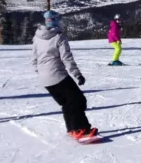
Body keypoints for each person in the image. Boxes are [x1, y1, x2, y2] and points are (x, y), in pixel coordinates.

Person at [32, 10, 96, 140]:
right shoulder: (59, 37)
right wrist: (77, 75)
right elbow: (67, 58)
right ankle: (81, 129)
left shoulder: (37, 37)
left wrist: (41, 72)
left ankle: (72, 128)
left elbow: (34, 58)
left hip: (45, 79)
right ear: (56, 20)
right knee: (77, 100)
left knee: (67, 103)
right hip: (57, 75)